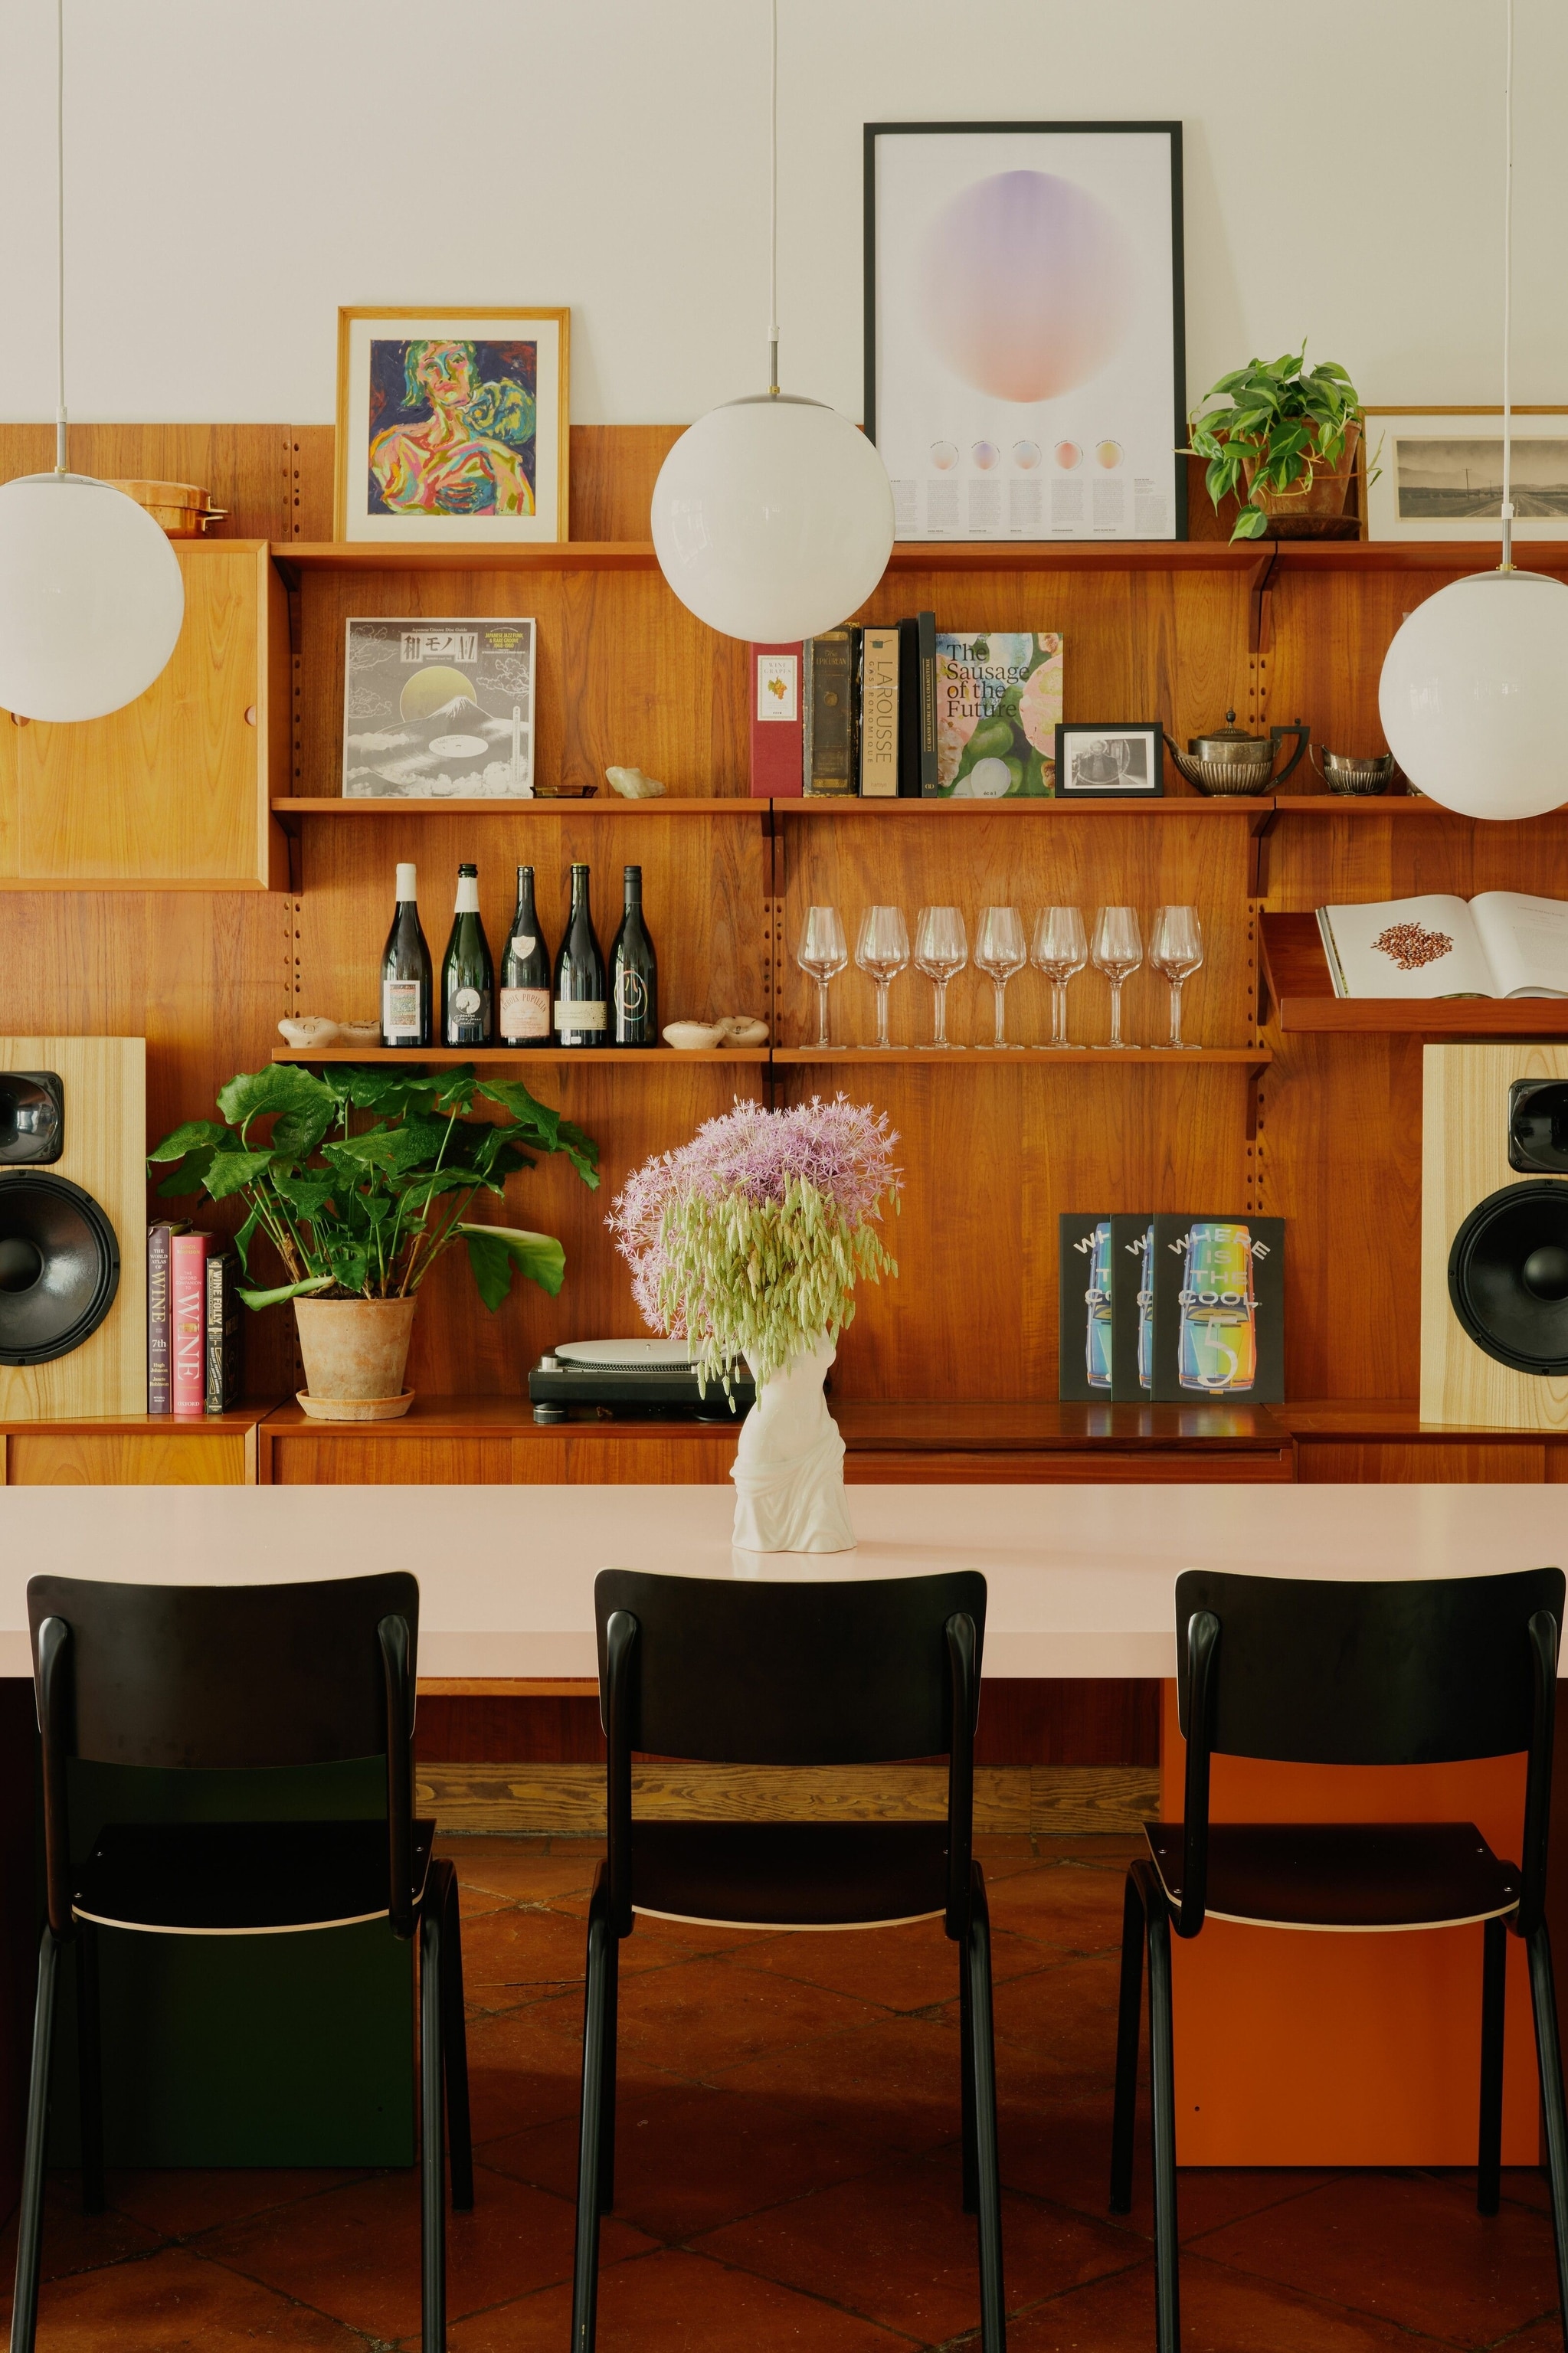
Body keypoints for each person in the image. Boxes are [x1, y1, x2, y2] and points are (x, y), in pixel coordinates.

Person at [369, 340, 535, 517]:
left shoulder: (498, 460)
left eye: (456, 360)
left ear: (471, 370)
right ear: (419, 380)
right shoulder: (392, 447)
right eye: (431, 366)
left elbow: (519, 534)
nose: (446, 374)